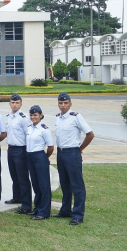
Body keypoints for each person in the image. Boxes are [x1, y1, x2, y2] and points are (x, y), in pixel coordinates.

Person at [53, 92, 93, 225]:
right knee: (65, 184)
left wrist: (80, 149)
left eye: (65, 103)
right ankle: (65, 211)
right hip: (61, 153)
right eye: (60, 103)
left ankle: (77, 215)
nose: (63, 105)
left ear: (70, 104)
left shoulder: (76, 117)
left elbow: (90, 134)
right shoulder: (58, 117)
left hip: (72, 153)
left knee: (77, 185)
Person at [4, 93, 33, 213]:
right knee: (14, 176)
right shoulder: (9, 116)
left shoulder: (23, 118)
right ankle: (17, 197)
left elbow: (29, 135)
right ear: (9, 104)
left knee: (23, 178)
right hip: (10, 149)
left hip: (21, 150)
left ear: (21, 104)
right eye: (12, 102)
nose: (14, 105)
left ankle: (26, 205)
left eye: (17, 103)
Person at [26, 105, 54, 220]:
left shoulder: (44, 129)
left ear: (41, 115)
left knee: (44, 185)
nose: (33, 117)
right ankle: (37, 208)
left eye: (35, 115)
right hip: (30, 157)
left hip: (40, 156)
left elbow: (51, 147)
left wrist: (44, 157)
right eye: (31, 115)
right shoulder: (29, 128)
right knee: (35, 184)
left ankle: (44, 212)